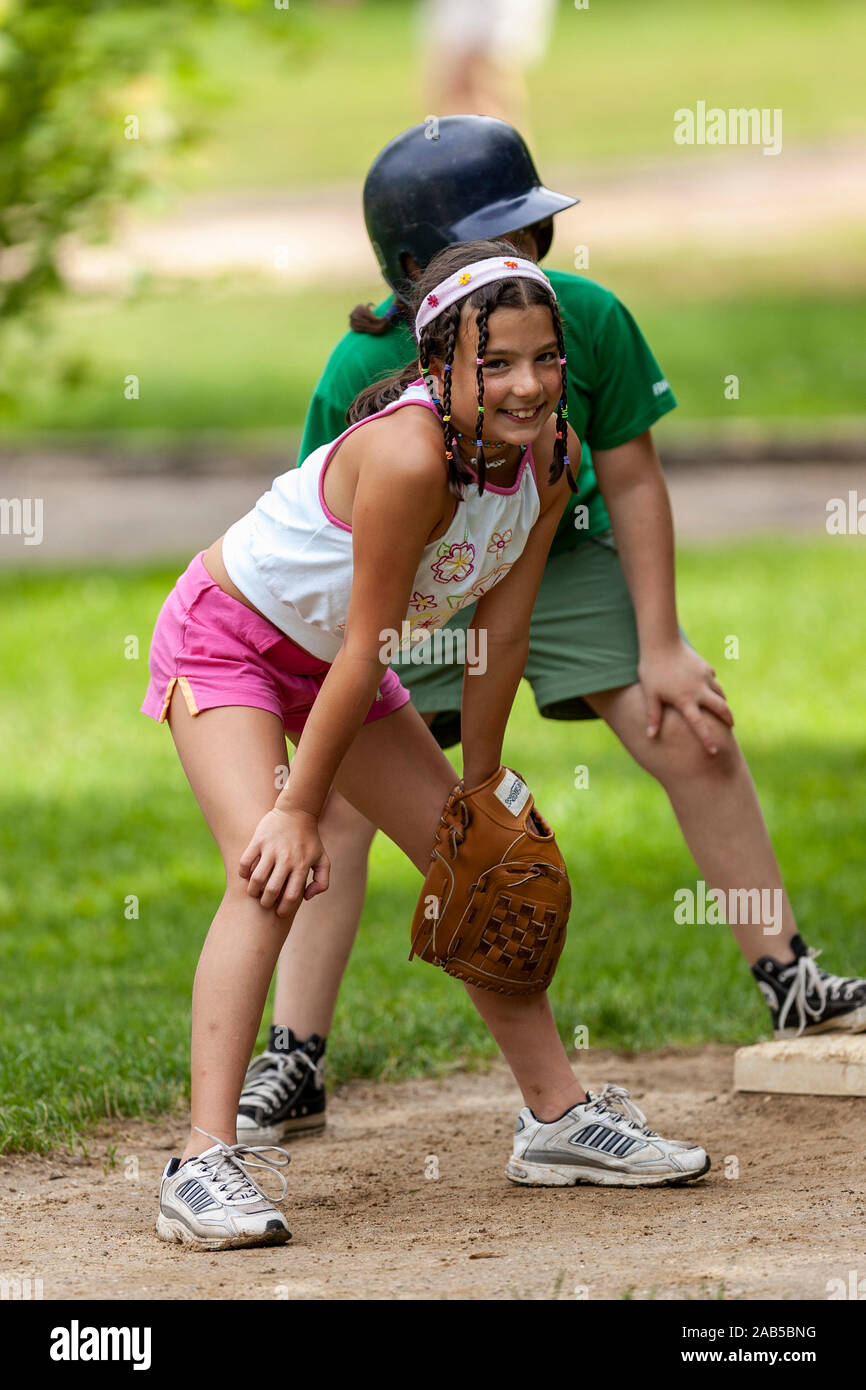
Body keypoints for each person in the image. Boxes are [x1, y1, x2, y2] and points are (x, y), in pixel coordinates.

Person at [237, 117, 866, 1148]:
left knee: (690, 727)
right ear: (409, 271)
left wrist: (660, 644)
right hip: (417, 584)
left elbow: (629, 476)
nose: (521, 259)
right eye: (490, 238)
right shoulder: (360, 359)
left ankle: (784, 973)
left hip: (557, 553)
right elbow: (324, 530)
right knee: (339, 803)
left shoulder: (581, 318)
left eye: (526, 232)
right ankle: (293, 1056)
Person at [141, 241, 711, 1250]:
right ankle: (201, 1160)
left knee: (482, 869)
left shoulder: (550, 457)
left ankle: (554, 1119)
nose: (527, 384)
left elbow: (497, 632)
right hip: (230, 641)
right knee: (274, 872)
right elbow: (365, 647)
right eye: (496, 364)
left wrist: (479, 792)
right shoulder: (407, 458)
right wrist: (292, 808)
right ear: (440, 364)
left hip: (332, 667)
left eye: (543, 360)